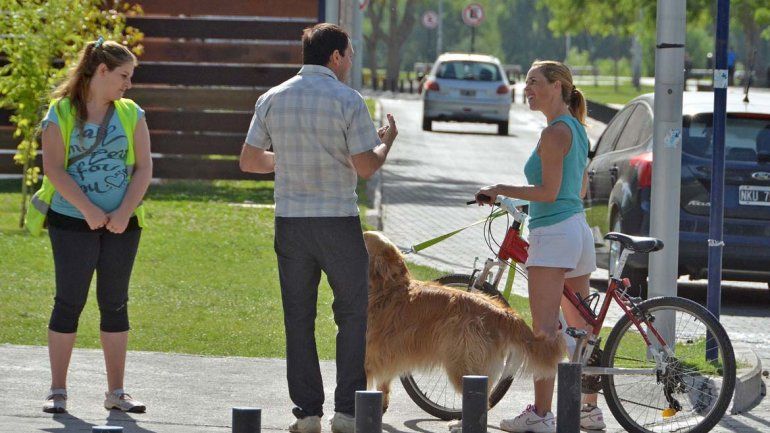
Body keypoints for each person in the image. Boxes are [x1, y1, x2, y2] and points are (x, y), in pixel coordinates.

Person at [239, 23, 398, 433]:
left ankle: (307, 413)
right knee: (351, 315)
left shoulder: (272, 97)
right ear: (335, 57)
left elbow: (250, 161)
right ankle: (346, 413)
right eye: (349, 54)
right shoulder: (348, 100)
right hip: (337, 222)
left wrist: (290, 157)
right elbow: (365, 166)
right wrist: (386, 142)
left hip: (291, 223)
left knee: (298, 317)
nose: (351, 61)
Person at [474, 60, 603, 433]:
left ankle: (542, 414)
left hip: (554, 234)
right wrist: (544, 201)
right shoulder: (575, 129)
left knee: (544, 331)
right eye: (526, 82)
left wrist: (500, 190)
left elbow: (548, 192)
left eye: (533, 82)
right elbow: (574, 191)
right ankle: (588, 410)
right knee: (579, 329)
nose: (527, 88)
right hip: (577, 230)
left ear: (557, 86)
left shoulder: (554, 133)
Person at [33, 37, 152, 414]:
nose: (127, 84)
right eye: (123, 75)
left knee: (115, 304)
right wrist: (86, 209)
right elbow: (52, 167)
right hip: (70, 221)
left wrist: (122, 213)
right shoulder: (61, 112)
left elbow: (144, 168)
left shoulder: (132, 112)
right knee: (68, 302)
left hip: (123, 225)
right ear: (101, 71)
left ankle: (116, 393)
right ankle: (57, 391)